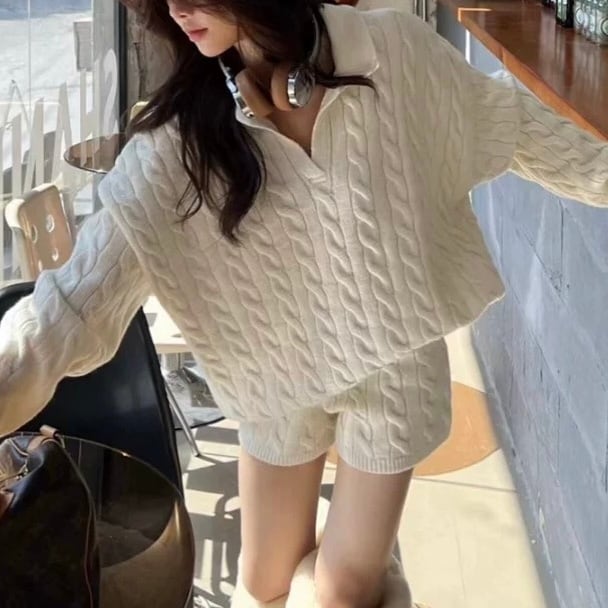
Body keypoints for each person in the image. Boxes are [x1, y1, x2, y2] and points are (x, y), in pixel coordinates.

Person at [1, 1, 607, 606]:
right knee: (263, 584)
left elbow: (509, 122)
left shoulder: (392, 52)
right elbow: (66, 312)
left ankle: (367, 572)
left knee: (339, 593)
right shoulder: (177, 143)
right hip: (276, 374)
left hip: (393, 362)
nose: (178, 8)